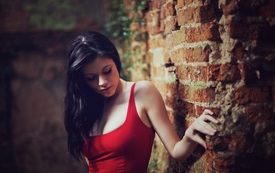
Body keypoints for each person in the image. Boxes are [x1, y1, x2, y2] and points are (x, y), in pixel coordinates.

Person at [64, 31, 218, 172]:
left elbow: (177, 152)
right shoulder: (86, 106)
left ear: (116, 62)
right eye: (91, 78)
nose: (102, 82)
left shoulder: (142, 93)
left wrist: (189, 137)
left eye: (107, 71)